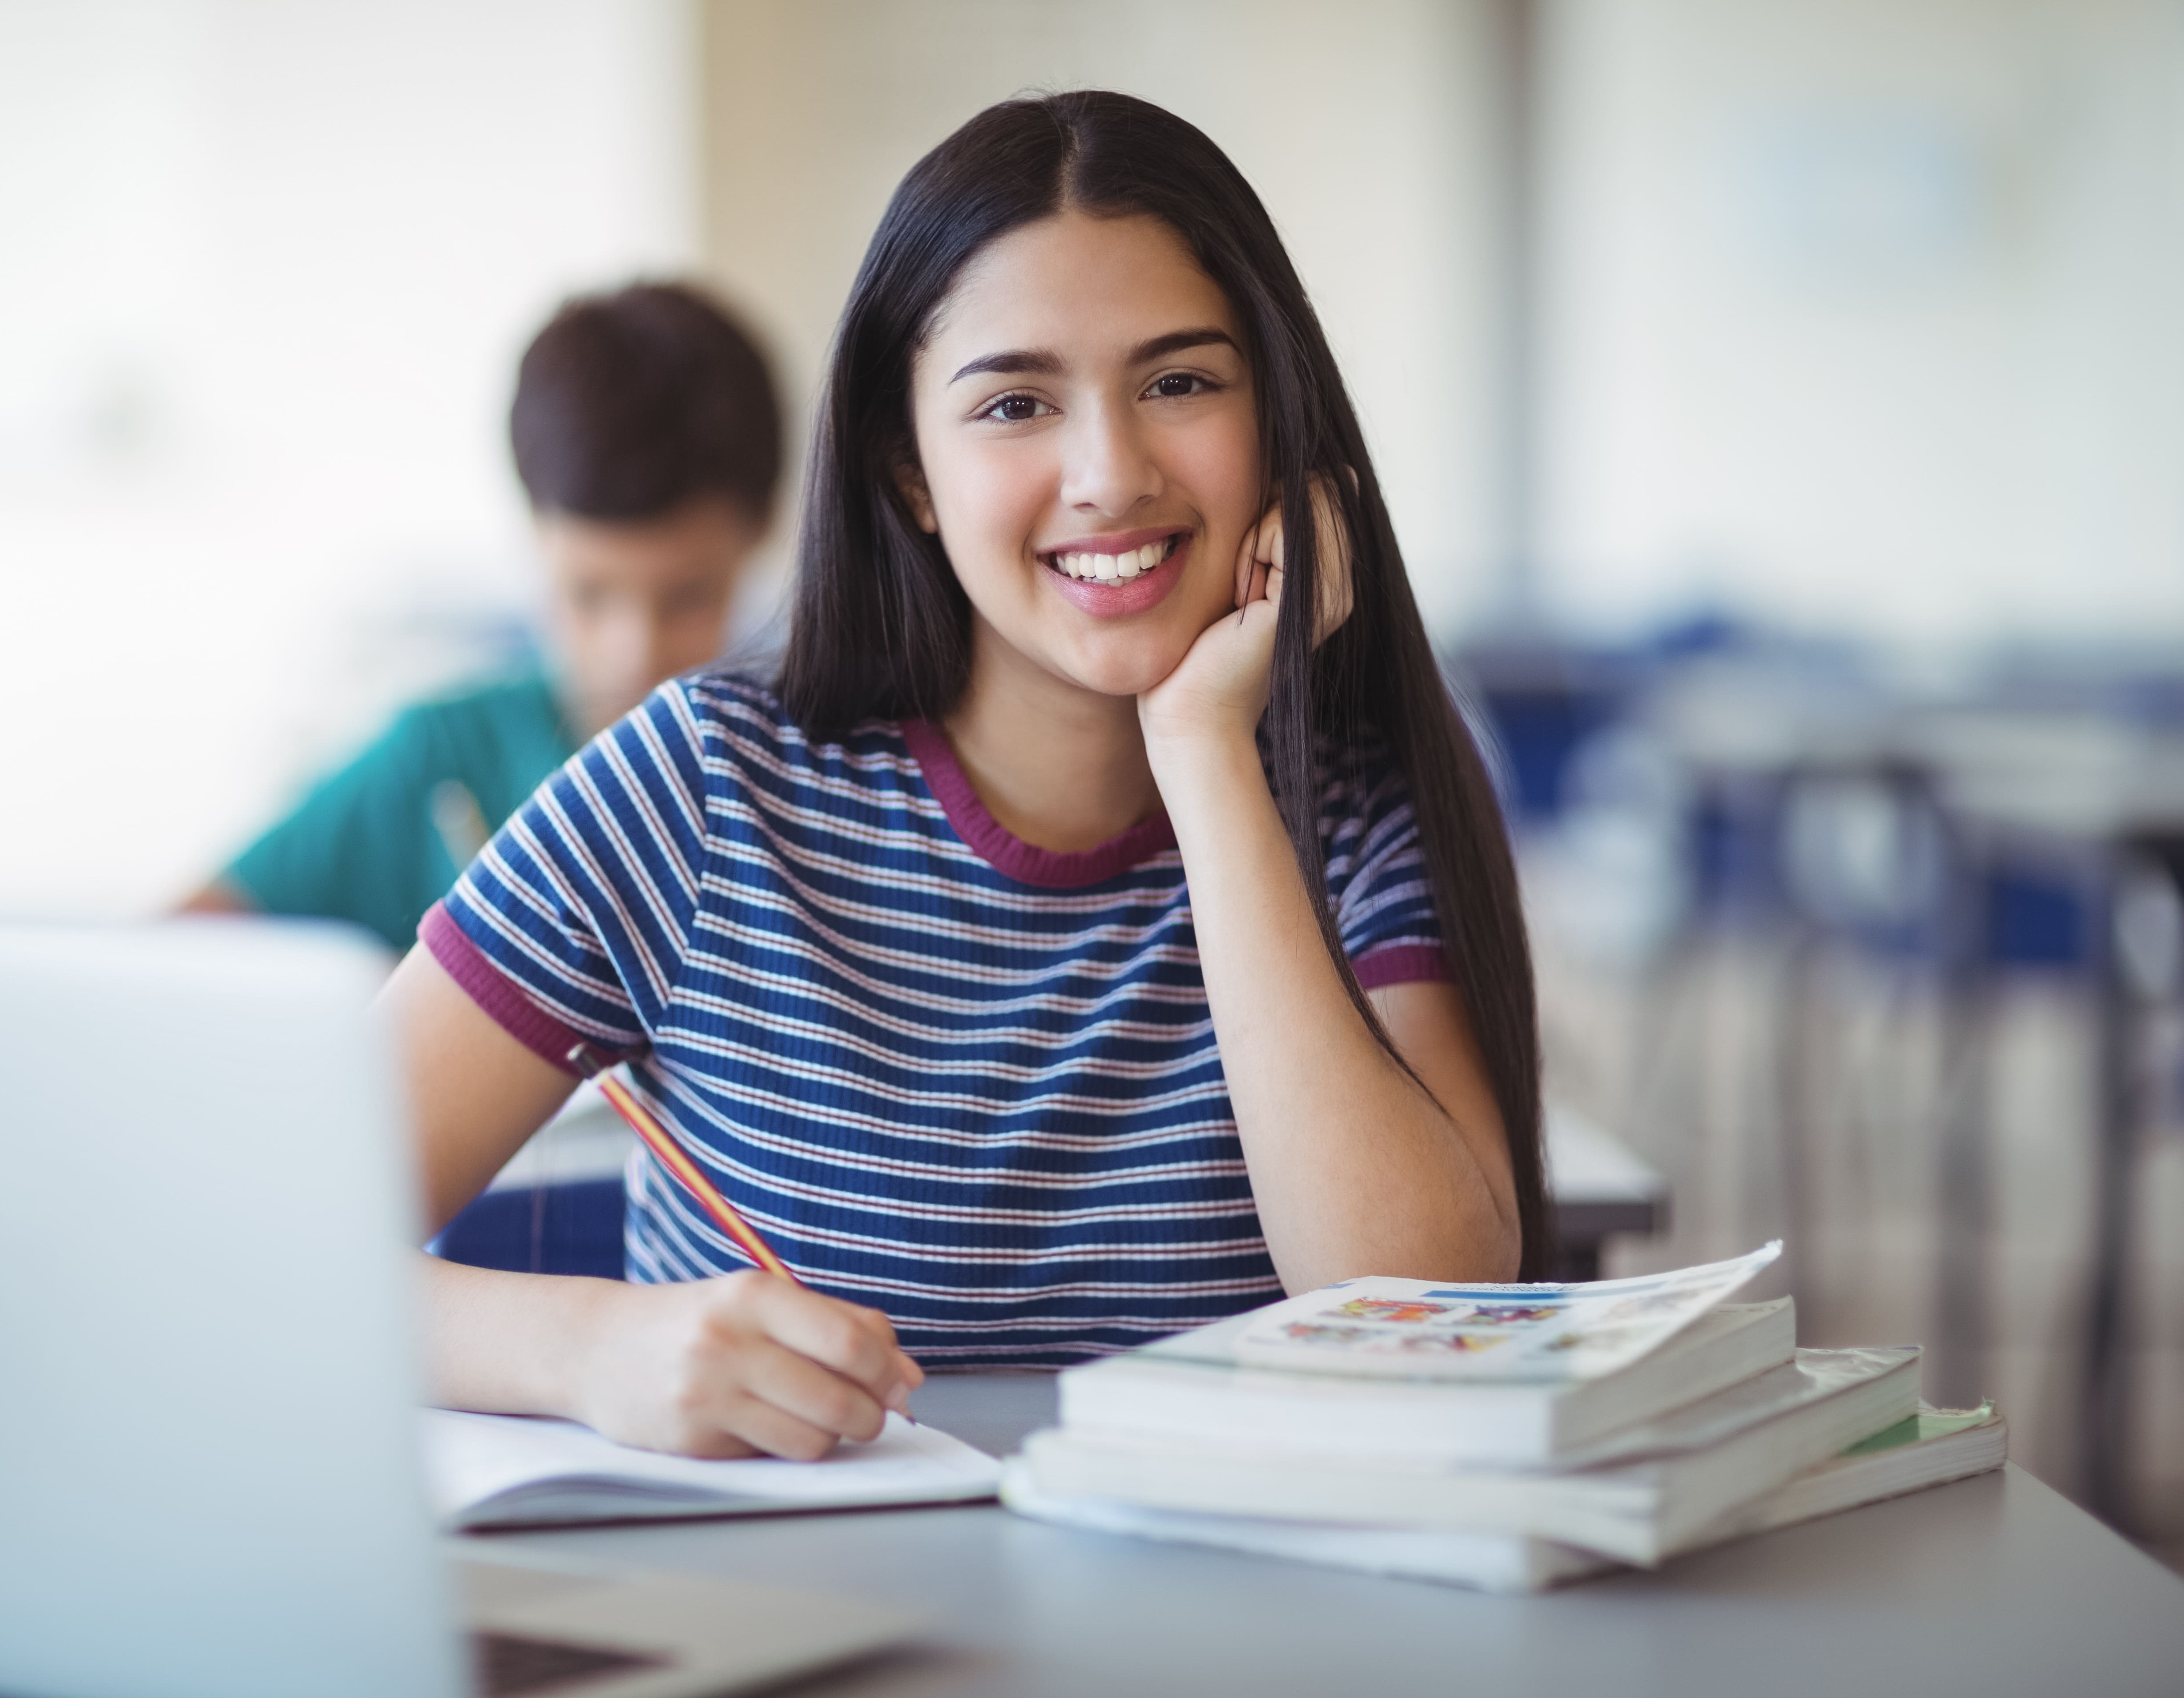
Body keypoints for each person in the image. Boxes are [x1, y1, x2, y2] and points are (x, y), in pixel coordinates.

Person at [386, 92, 1545, 1462]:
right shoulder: (698, 788)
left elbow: (1418, 1316)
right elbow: (246, 1243)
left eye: (1180, 382)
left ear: (1281, 422)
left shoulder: (1349, 794)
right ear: (909, 470)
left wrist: (1202, 751)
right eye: (1015, 403)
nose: (1109, 475)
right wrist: (589, 1352)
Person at [182, 283, 783, 952]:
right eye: (588, 594)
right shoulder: (443, 753)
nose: (632, 653)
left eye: (688, 597)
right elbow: (179, 948)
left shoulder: (802, 775)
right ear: (533, 532)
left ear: (759, 537)